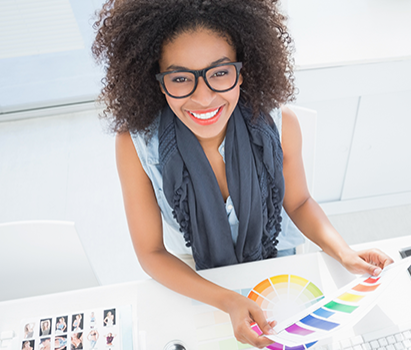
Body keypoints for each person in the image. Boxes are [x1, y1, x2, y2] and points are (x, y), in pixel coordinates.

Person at [92, 0, 392, 347]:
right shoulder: (135, 145)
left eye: (220, 72)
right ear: (158, 82)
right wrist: (228, 300)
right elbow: (151, 254)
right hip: (195, 270)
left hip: (277, 256)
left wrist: (344, 252)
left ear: (242, 70)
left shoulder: (282, 123)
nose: (203, 98)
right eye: (179, 78)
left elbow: (298, 202)